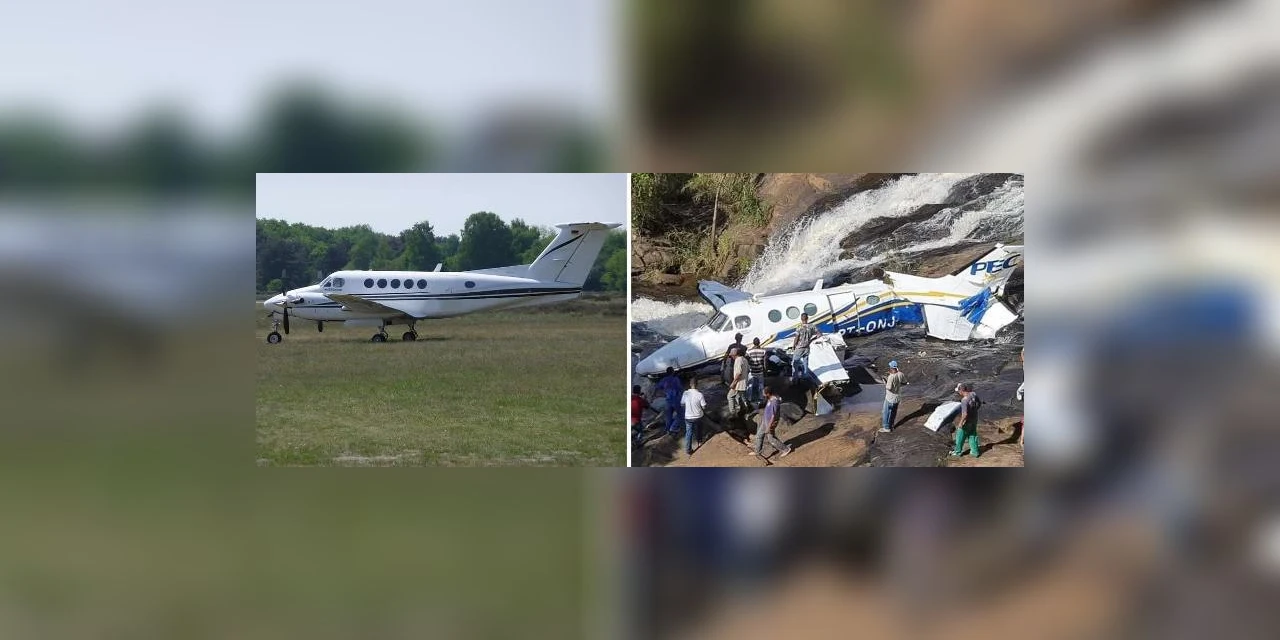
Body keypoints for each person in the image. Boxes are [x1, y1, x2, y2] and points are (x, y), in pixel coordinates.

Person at [748, 386, 792, 458]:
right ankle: (757, 451)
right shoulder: (770, 399)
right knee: (759, 435)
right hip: (765, 421)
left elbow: (773, 416)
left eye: (764, 393)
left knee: (771, 439)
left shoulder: (774, 402)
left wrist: (769, 426)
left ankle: (786, 449)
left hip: (770, 423)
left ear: (768, 393)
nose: (763, 394)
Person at [950, 382, 982, 458]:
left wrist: (961, 423)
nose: (958, 392)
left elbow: (965, 414)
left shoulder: (964, 400)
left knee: (960, 436)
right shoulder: (973, 394)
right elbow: (979, 403)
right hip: (974, 419)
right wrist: (974, 410)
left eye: (958, 391)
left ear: (961, 390)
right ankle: (975, 452)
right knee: (972, 435)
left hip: (967, 421)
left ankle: (957, 452)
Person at [680, 377, 707, 455]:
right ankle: (700, 441)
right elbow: (704, 406)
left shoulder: (685, 393)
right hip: (698, 416)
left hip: (688, 417)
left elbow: (682, 404)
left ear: (690, 384)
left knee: (689, 432)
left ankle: (688, 450)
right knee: (699, 428)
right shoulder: (700, 394)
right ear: (697, 384)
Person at [654, 367, 684, 434]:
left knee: (669, 415)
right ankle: (673, 427)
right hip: (676, 399)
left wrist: (661, 393)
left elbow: (657, 387)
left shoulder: (664, 380)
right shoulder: (676, 379)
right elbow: (680, 388)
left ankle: (667, 429)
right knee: (681, 414)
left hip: (668, 400)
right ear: (673, 372)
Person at [790, 313, 818, 382]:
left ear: (801, 319)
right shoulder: (812, 326)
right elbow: (819, 334)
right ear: (807, 318)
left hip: (799, 348)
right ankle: (805, 377)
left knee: (795, 364)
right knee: (805, 363)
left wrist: (794, 345)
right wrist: (811, 340)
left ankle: (795, 379)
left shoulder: (799, 327)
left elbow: (797, 337)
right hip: (807, 348)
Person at [881, 360, 907, 433]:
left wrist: (885, 382)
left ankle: (886, 428)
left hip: (890, 398)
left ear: (891, 367)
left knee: (886, 413)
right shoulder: (901, 374)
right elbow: (905, 383)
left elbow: (888, 388)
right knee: (893, 412)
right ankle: (891, 425)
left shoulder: (891, 377)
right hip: (897, 398)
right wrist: (898, 386)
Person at [745, 338, 768, 406]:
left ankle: (749, 399)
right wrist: (765, 370)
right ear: (759, 342)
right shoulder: (763, 351)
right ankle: (761, 399)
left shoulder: (749, 351)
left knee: (750, 385)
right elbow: (765, 362)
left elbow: (747, 361)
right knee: (761, 385)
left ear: (753, 343)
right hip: (760, 370)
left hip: (752, 371)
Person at [727, 347, 748, 416]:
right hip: (744, 382)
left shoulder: (738, 360)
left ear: (734, 354)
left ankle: (733, 414)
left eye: (732, 355)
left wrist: (733, 382)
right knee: (741, 397)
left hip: (738, 383)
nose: (731, 357)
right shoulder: (744, 359)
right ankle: (745, 409)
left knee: (730, 396)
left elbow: (738, 373)